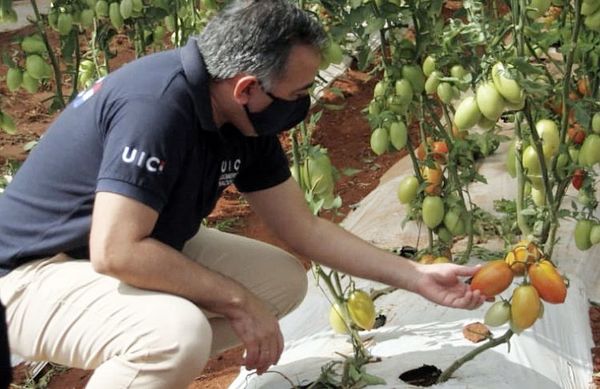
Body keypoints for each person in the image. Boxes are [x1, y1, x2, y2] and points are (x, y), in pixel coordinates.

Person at [0, 0, 484, 387]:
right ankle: (142, 348)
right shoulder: (157, 107)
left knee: (279, 281)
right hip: (30, 271)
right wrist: (236, 300)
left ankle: (134, 350)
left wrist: (415, 276)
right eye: (296, 93)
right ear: (247, 87)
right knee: (175, 335)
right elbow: (116, 250)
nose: (302, 104)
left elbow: (305, 228)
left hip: (123, 247)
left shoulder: (240, 121)